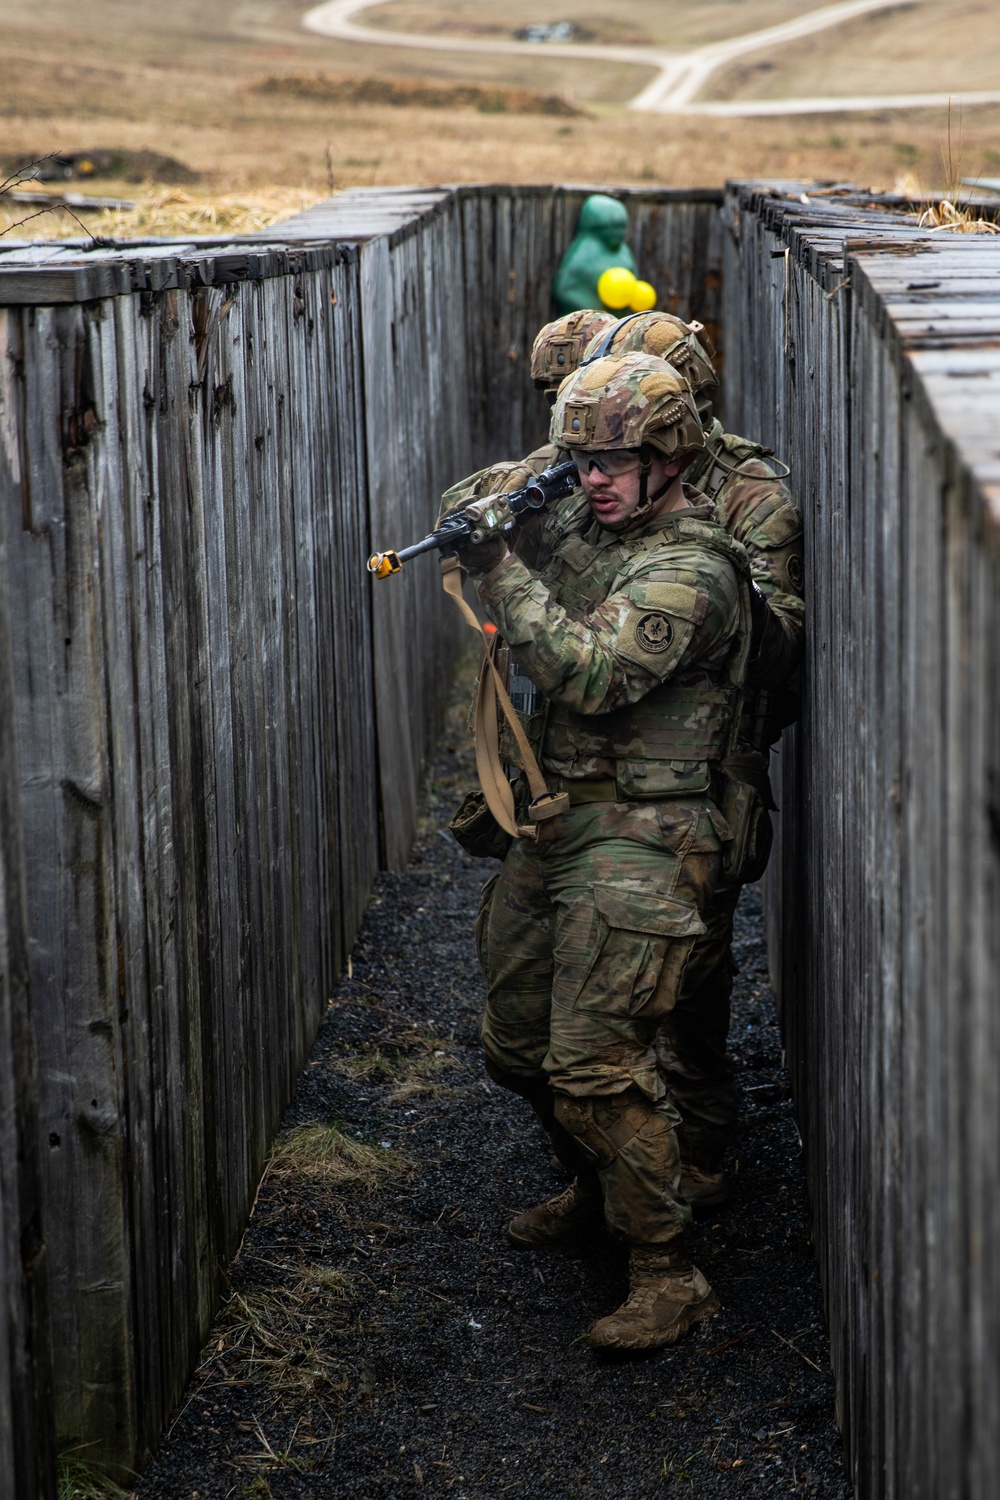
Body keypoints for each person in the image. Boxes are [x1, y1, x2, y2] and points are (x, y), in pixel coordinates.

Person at [450, 352, 752, 1351]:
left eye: (618, 461)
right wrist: (510, 493)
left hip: (648, 834)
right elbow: (472, 503)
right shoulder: (582, 513)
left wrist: (503, 565)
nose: (596, 480)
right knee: (514, 1041)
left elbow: (589, 675)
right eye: (584, 461)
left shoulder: (692, 568)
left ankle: (666, 1269)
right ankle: (596, 1183)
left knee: (595, 1066)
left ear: (671, 459)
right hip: (561, 819)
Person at [581, 313, 805, 1208]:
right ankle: (616, 1174)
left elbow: (780, 642)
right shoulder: (610, 480)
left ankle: (699, 1163)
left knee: (689, 984)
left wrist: (699, 579)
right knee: (594, 999)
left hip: (711, 765)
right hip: (620, 755)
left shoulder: (749, 494)